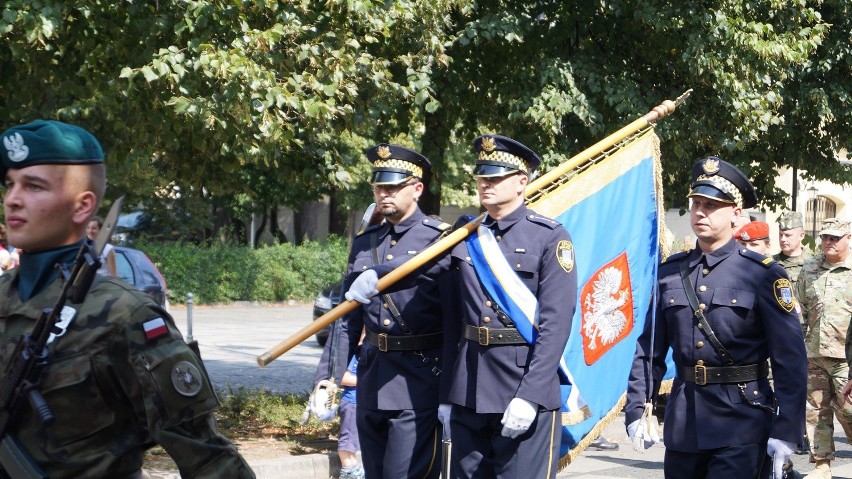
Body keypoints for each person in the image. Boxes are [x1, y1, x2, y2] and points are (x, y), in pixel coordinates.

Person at [0, 119, 254, 478]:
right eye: (10, 184)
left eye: (34, 186)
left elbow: (210, 460)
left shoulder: (127, 315)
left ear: (82, 206)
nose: (12, 198)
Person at [625, 156, 807, 479]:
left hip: (742, 421)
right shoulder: (670, 273)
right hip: (684, 423)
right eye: (696, 203)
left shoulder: (763, 275)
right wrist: (638, 406)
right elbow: (649, 349)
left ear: (736, 213)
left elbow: (790, 359)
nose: (700, 212)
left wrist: (787, 429)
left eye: (712, 205)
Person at [440, 134, 577, 479]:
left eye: (496, 177)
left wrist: (530, 396)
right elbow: (450, 317)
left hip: (521, 384)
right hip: (468, 385)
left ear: (521, 182)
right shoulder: (464, 236)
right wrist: (446, 393)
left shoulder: (549, 236)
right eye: (482, 176)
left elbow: (556, 324)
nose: (485, 184)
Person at [337, 143, 449, 478]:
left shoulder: (439, 240)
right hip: (371, 380)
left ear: (417, 189)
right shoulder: (365, 241)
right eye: (378, 187)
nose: (384, 194)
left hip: (419, 381)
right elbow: (347, 318)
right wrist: (327, 379)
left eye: (393, 187)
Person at [795, 217, 852, 479]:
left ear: (848, 239)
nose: (827, 242)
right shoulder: (809, 269)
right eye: (824, 237)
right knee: (816, 411)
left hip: (846, 358)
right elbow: (800, 309)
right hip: (814, 353)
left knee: (849, 410)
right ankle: (822, 465)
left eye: (834, 238)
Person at [337, 352, 365, 479]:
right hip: (351, 402)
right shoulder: (353, 355)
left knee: (353, 439)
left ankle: (354, 466)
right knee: (347, 437)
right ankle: (348, 469)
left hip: (360, 402)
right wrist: (367, 380)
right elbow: (343, 378)